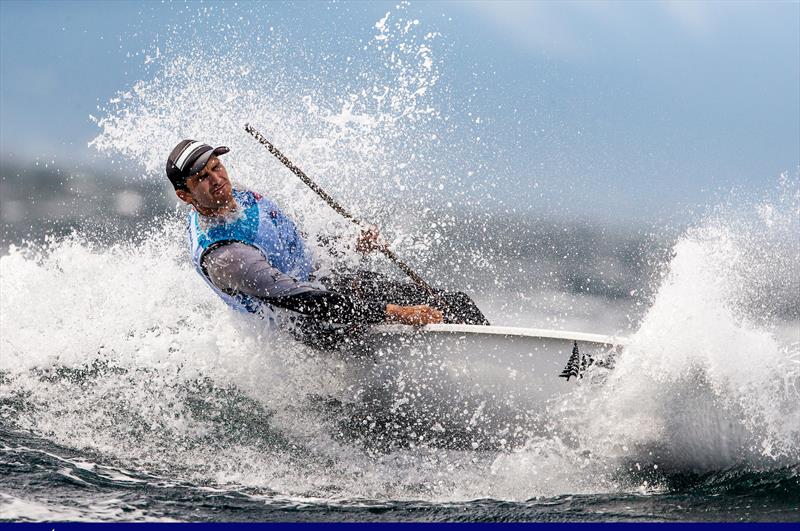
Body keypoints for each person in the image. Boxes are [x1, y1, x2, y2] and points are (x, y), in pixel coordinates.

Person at [165, 139, 488, 349]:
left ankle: (501, 355)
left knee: (453, 303)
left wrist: (348, 244)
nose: (217, 180)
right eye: (202, 179)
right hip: (299, 326)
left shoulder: (242, 195)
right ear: (185, 195)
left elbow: (289, 242)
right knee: (386, 337)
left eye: (216, 168)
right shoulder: (226, 255)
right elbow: (302, 301)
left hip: (322, 282)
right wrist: (395, 312)